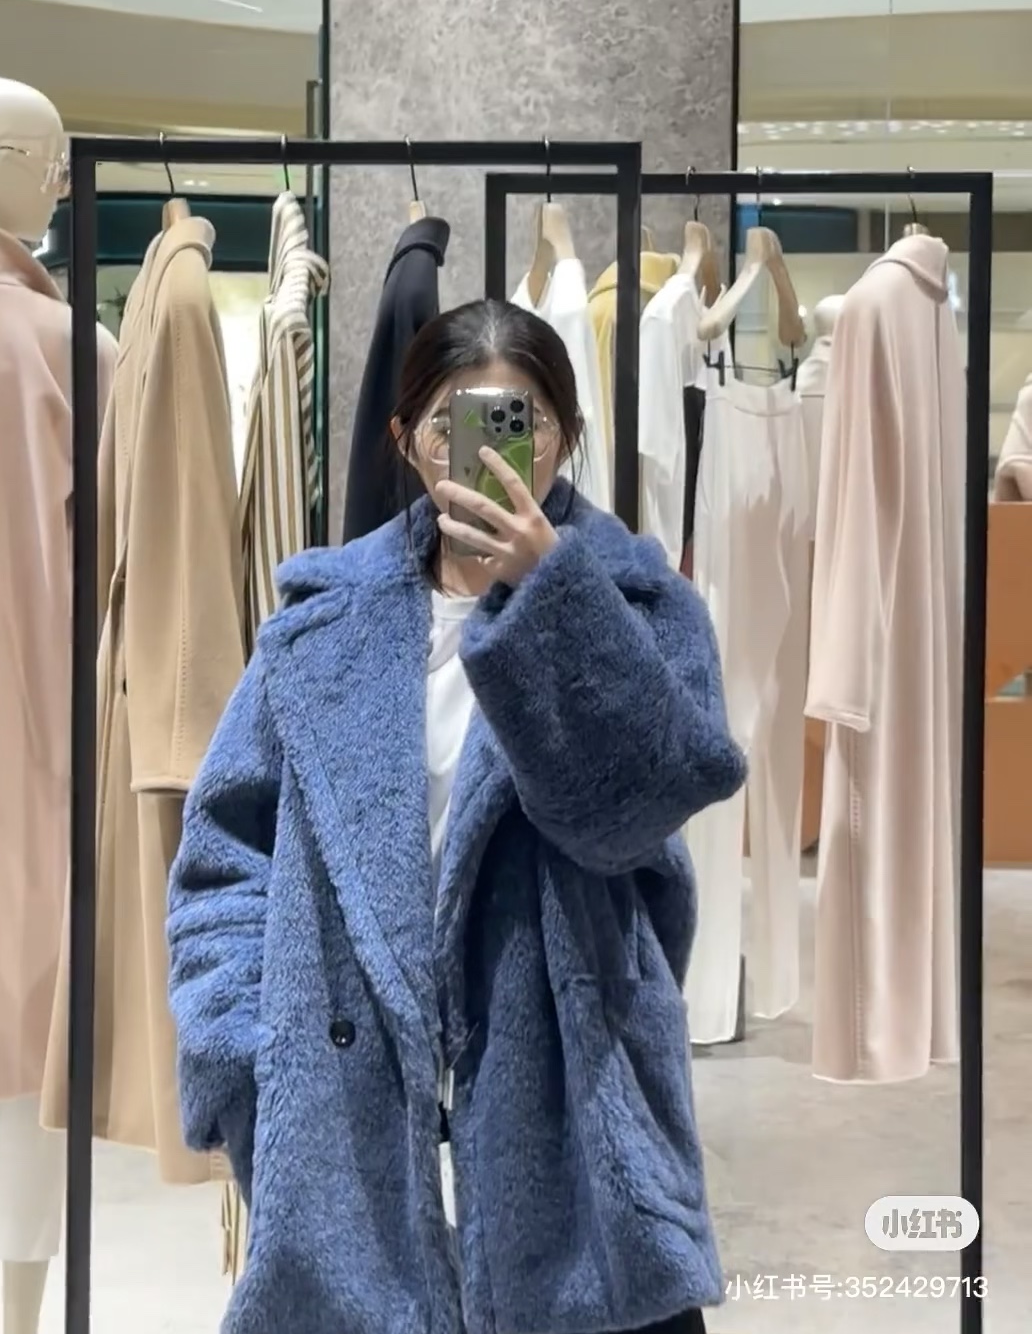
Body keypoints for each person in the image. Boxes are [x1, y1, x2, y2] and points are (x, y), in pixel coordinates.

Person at [167, 299, 746, 1334]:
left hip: (575, 1122)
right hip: (344, 1129)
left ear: (566, 434)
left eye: (523, 424)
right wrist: (246, 1059)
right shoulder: (318, 624)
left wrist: (552, 595)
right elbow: (224, 855)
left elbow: (639, 805)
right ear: (405, 439)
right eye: (453, 426)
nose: (485, 453)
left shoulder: (638, 608)